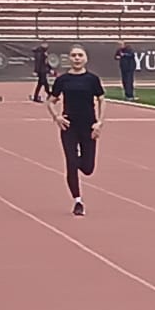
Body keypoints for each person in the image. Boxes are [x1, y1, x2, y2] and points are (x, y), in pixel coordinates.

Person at [46, 44, 105, 216]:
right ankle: (77, 201)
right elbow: (50, 101)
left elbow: (102, 99)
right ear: (69, 59)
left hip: (88, 127)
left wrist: (99, 122)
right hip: (69, 126)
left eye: (80, 55)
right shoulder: (63, 80)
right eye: (73, 55)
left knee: (87, 168)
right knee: (71, 164)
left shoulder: (92, 79)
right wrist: (57, 117)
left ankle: (77, 162)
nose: (77, 58)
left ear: (85, 58)